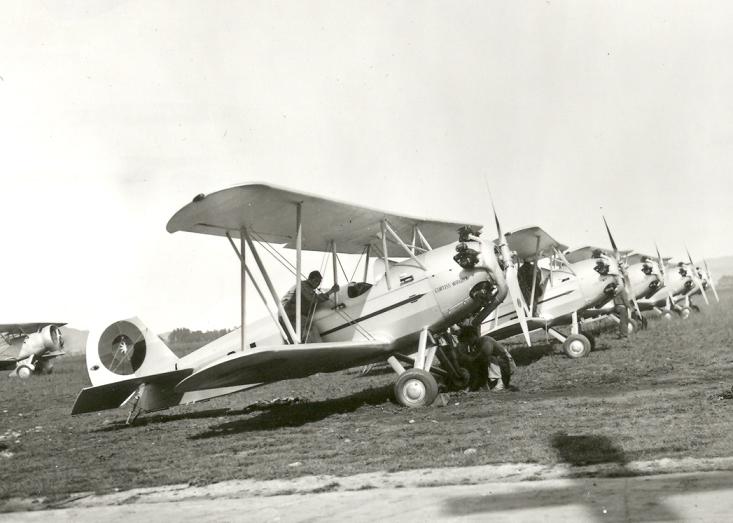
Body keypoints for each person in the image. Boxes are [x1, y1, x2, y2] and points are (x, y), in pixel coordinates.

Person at [281, 270, 339, 342]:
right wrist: (331, 291)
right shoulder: (303, 285)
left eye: (319, 282)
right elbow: (313, 299)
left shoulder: (306, 287)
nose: (318, 284)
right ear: (312, 280)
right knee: (311, 331)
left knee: (298, 339)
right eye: (317, 281)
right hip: (291, 314)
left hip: (287, 315)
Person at [454, 325, 516, 391]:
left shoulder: (486, 341)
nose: (468, 343)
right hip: (499, 366)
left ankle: (498, 384)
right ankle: (483, 385)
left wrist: (469, 358)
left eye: (468, 340)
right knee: (476, 359)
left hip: (506, 365)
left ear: (472, 336)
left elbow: (483, 357)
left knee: (487, 358)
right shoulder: (475, 345)